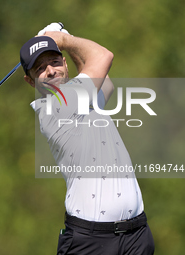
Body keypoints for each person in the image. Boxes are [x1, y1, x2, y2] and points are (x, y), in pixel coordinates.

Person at [19, 24, 155, 255]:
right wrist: (64, 38)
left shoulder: (80, 97)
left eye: (54, 62)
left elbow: (107, 85)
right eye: (40, 68)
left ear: (65, 64)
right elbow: (103, 56)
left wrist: (66, 41)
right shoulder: (55, 106)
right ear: (31, 82)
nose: (51, 71)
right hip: (91, 241)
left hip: (136, 235)